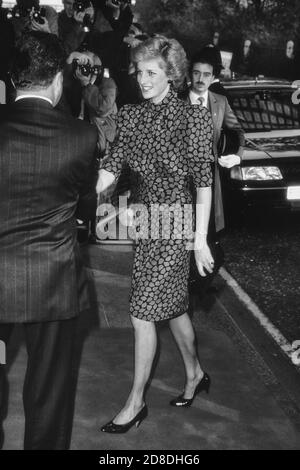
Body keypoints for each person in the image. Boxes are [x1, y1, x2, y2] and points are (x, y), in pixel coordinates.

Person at [96, 35, 215, 433]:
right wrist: (71, 184)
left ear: (171, 75)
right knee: (173, 304)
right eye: (139, 71)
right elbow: (111, 169)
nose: (142, 79)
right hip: (148, 221)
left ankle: (135, 403)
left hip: (179, 221)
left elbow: (203, 182)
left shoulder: (192, 118)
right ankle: (195, 372)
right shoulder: (130, 116)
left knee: (142, 309)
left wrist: (198, 240)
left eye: (151, 72)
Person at [0, 31, 98, 449]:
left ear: (11, 78)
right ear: (59, 79)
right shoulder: (81, 137)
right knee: (49, 393)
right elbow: (84, 207)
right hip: (52, 281)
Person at [180, 48, 244, 295]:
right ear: (189, 74)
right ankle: (184, 286)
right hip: (182, 182)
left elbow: (238, 132)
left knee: (208, 237)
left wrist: (235, 156)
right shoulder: (176, 102)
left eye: (206, 74)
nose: (200, 78)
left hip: (211, 181)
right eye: (196, 73)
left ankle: (194, 284)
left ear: (213, 77)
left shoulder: (220, 102)